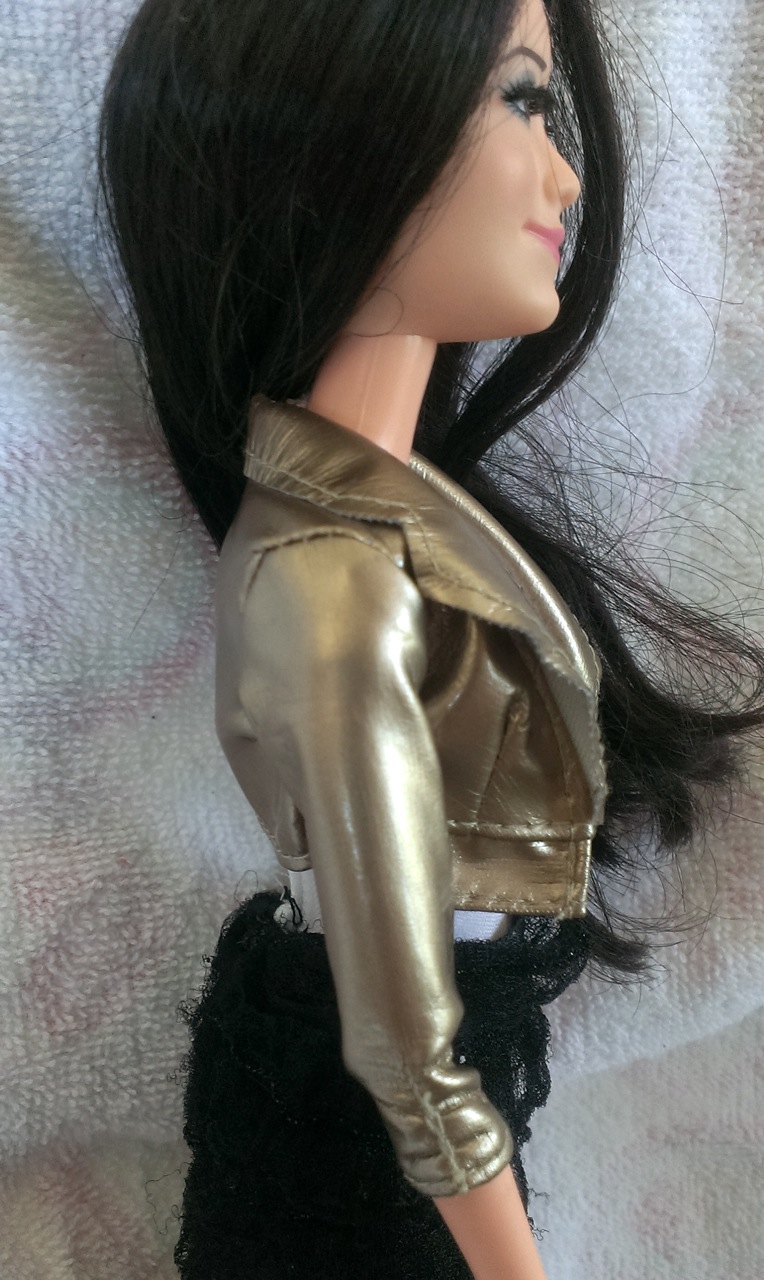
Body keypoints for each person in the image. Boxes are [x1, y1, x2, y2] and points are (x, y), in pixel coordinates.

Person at [94, 0, 764, 1275]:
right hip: (364, 1183)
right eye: (521, 99)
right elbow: (401, 1052)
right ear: (348, 144)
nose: (564, 175)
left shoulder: (391, 532)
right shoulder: (332, 581)